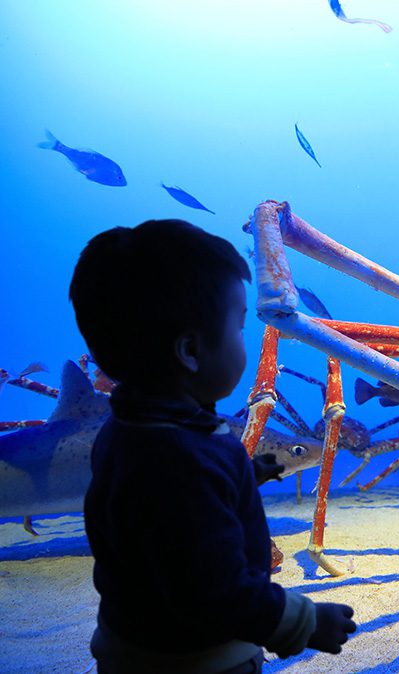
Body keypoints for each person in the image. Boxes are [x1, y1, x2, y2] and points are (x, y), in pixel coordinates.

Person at [69, 219, 357, 673]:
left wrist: (249, 471)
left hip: (126, 646)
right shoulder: (182, 463)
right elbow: (217, 590)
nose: (246, 342)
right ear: (190, 350)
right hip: (202, 660)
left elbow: (173, 511)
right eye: (240, 327)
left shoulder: (126, 432)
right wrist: (305, 621)